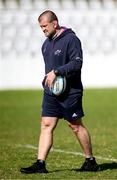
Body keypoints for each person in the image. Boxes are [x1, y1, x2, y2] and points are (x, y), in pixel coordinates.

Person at [20, 10, 99, 174]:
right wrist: (46, 79)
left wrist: (57, 71)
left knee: (75, 126)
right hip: (51, 93)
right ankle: (40, 164)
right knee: (46, 125)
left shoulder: (71, 40)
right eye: (40, 27)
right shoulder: (46, 45)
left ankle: (90, 161)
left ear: (54, 23)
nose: (43, 30)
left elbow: (77, 64)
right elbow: (48, 71)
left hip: (70, 92)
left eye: (45, 26)